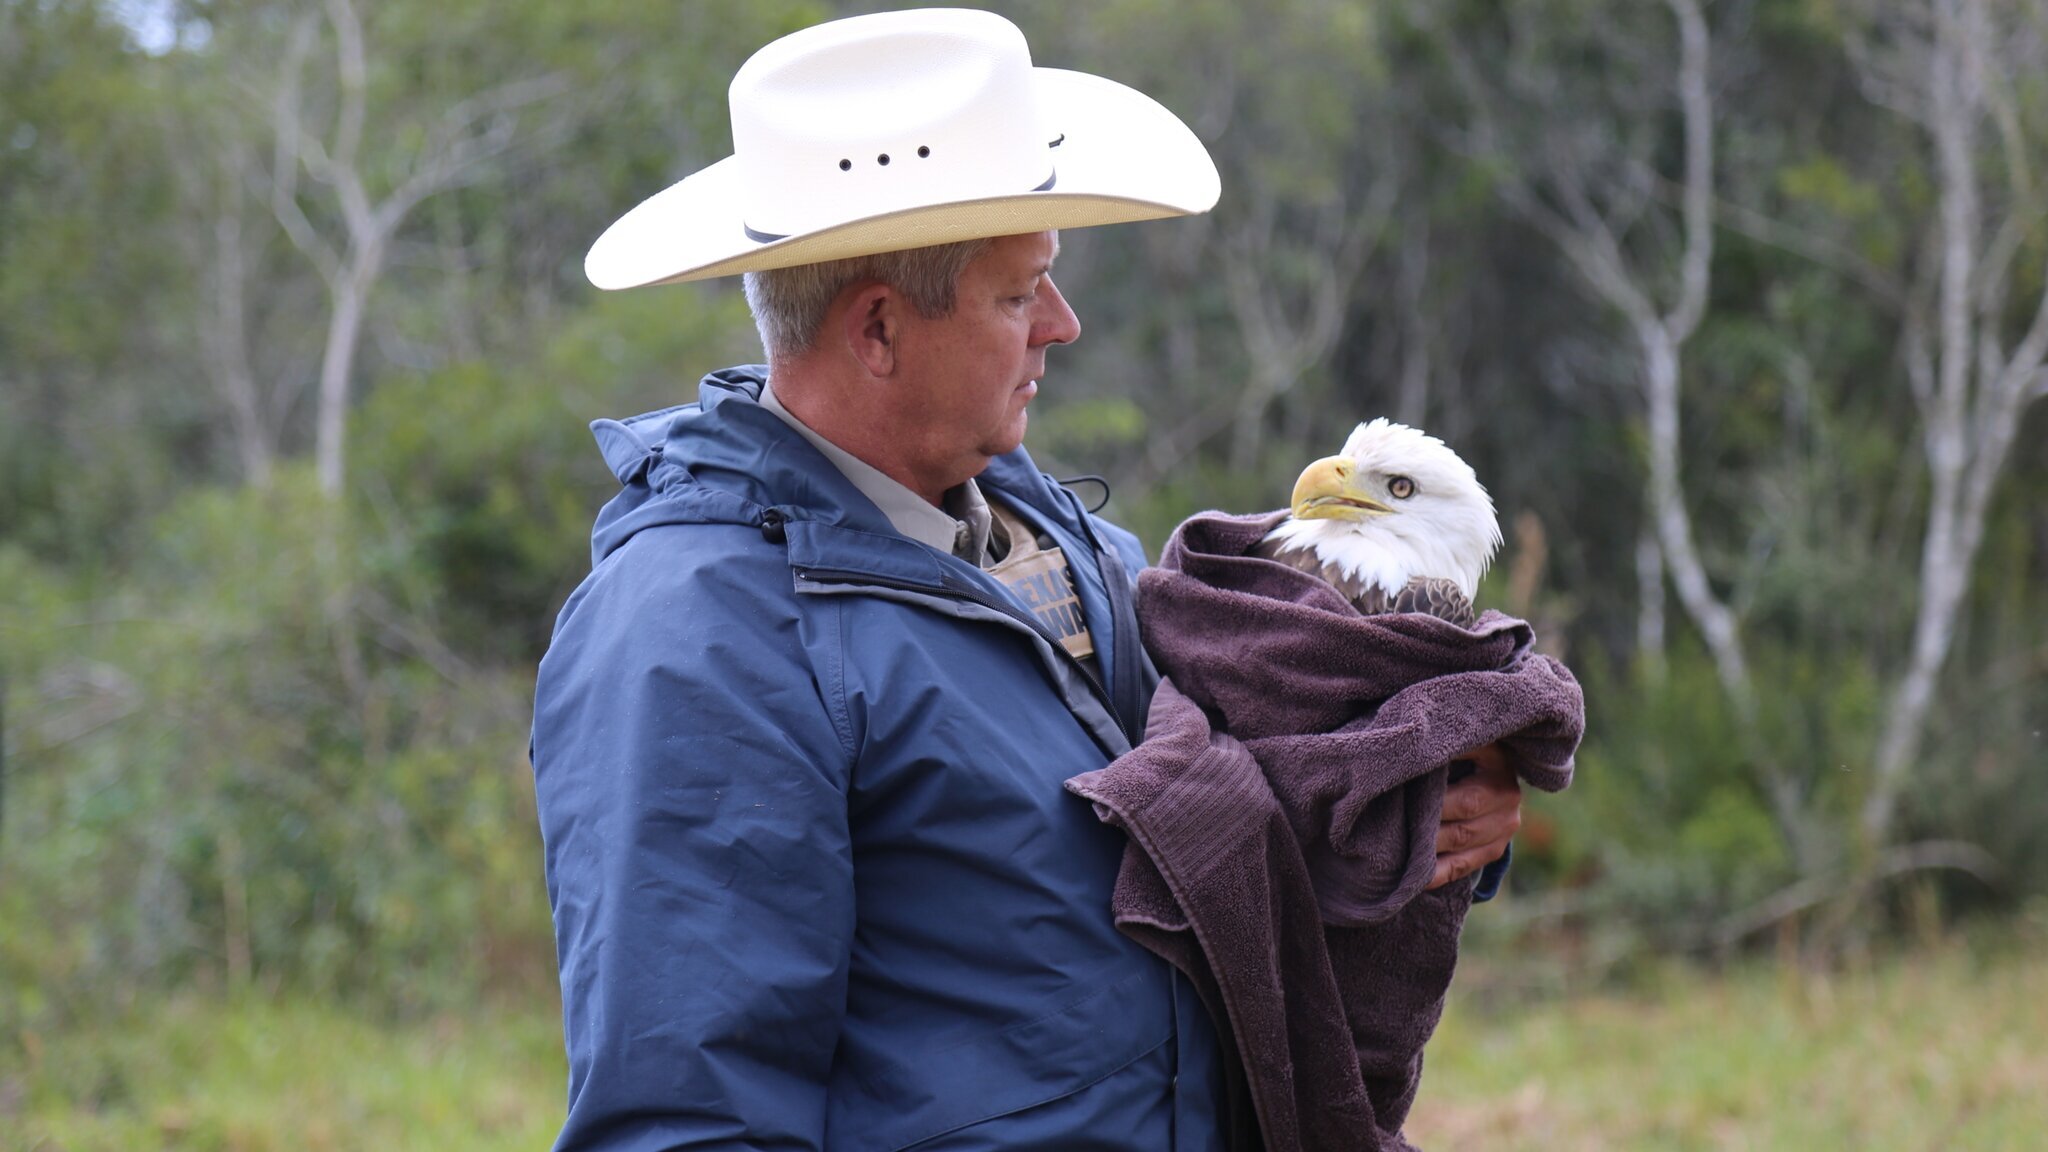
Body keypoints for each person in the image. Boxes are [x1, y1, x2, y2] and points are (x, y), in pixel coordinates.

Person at [531, 10, 1523, 1150]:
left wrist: (1427, 809)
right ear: (876, 331)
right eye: (1018, 295)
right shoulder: (695, 639)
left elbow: (1219, 830)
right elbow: (687, 1120)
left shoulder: (1058, 540)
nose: (1064, 324)